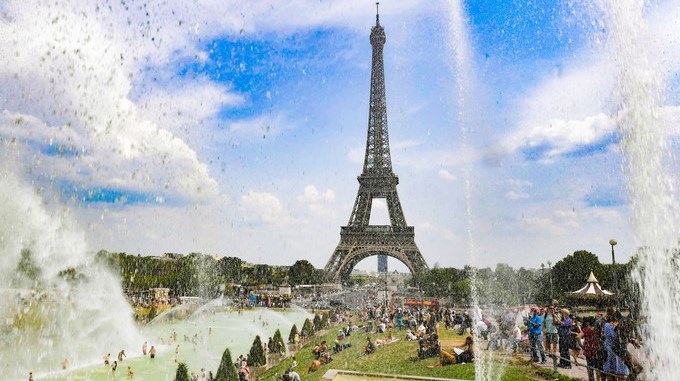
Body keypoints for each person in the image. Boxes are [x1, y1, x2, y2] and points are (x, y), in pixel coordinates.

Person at [602, 312, 629, 380]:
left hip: (612, 348)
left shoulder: (607, 325)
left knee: (612, 368)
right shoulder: (609, 326)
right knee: (616, 369)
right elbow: (614, 336)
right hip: (612, 348)